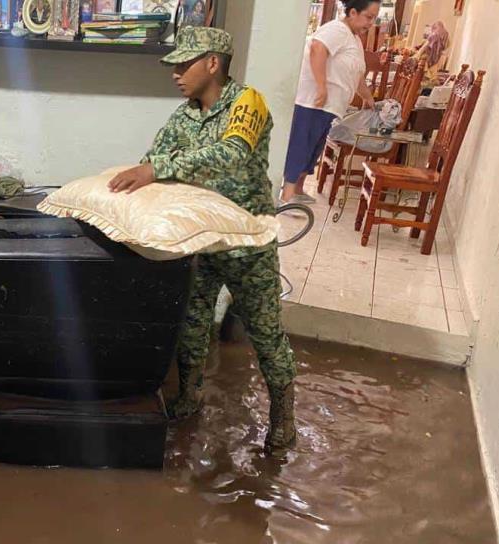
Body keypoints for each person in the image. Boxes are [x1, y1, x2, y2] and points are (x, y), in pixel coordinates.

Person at [107, 26, 297, 453]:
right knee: (193, 325)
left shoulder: (247, 103)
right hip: (200, 240)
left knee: (266, 334)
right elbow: (150, 161)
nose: (175, 73)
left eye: (184, 63)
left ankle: (283, 418)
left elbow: (232, 154)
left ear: (213, 63)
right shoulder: (183, 116)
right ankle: (188, 398)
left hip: (247, 241)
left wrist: (159, 169)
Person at [279, 0, 380, 205]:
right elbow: (317, 48)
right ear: (353, 12)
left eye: (374, 18)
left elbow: (357, 75)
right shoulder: (337, 29)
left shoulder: (355, 39)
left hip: (329, 106)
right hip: (313, 101)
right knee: (302, 146)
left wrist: (368, 98)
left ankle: (297, 190)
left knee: (313, 148)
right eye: (369, 17)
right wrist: (321, 85)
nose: (371, 23)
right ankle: (286, 196)